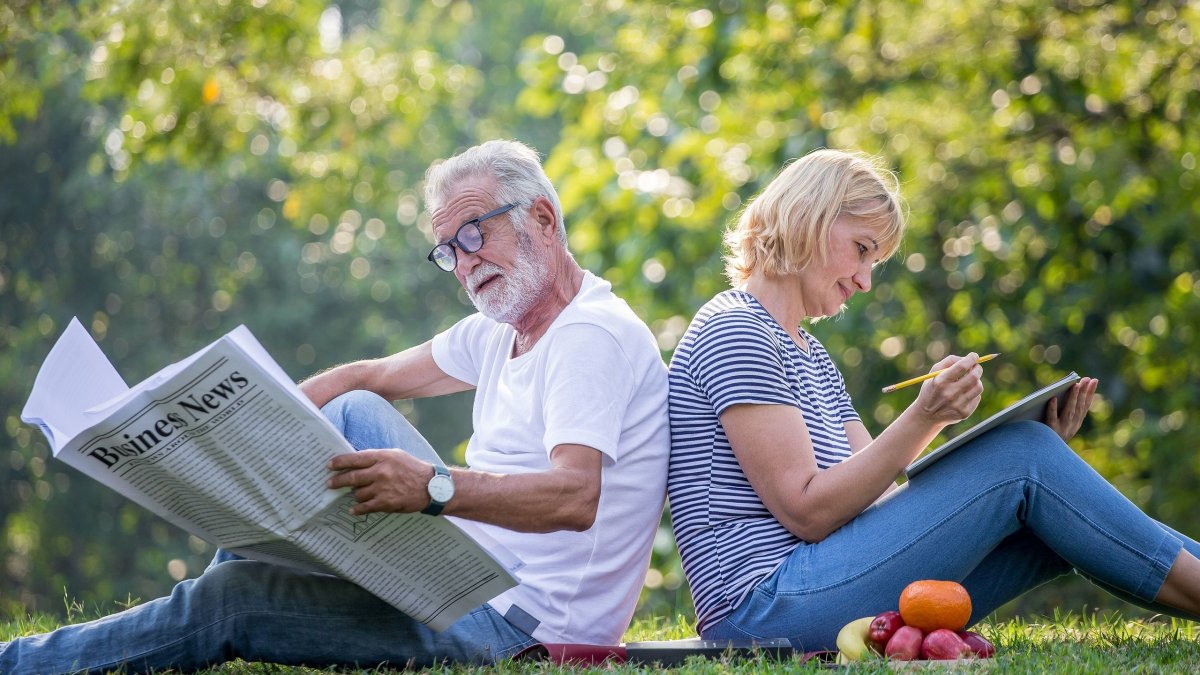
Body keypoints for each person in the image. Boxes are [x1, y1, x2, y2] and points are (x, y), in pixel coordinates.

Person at [1, 140, 671, 672]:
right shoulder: (507, 326)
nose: (464, 264)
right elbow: (370, 373)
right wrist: (244, 417)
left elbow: (575, 496)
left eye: (474, 234)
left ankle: (22, 662)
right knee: (352, 405)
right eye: (448, 250)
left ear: (544, 220)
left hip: (520, 628)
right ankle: (205, 602)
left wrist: (432, 486)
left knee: (234, 600)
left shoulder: (590, 335)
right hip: (472, 578)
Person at [666, 147, 1200, 649]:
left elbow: (871, 505)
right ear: (809, 216)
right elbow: (808, 511)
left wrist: (1043, 465)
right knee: (1022, 458)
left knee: (1051, 503)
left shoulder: (809, 352)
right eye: (862, 250)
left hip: (816, 586)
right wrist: (929, 417)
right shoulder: (736, 330)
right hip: (761, 609)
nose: (865, 280)